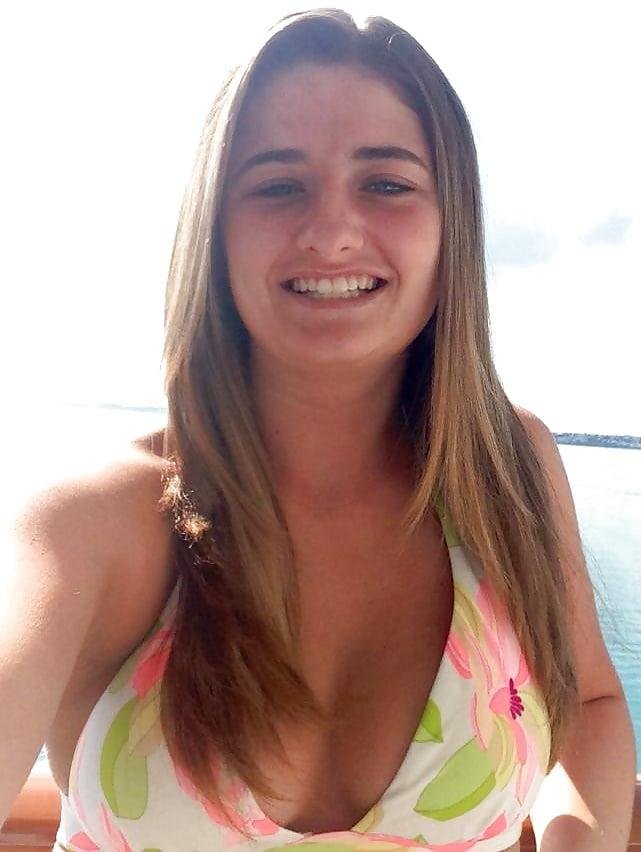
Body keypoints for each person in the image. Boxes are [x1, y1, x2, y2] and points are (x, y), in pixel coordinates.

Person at [1, 8, 635, 851]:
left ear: (450, 225)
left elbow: (589, 701)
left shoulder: (506, 468)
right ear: (215, 232)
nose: (331, 233)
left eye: (386, 184)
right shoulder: (97, 521)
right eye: (277, 186)